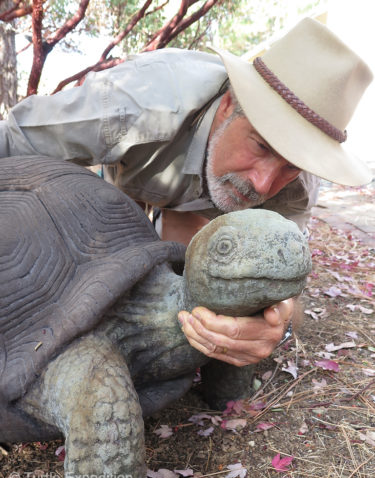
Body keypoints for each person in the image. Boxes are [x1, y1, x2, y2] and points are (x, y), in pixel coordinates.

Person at [0, 18, 373, 370]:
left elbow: (287, 284)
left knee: (186, 276)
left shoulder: (297, 185)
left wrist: (280, 321)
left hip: (201, 209)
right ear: (228, 105)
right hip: (128, 176)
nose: (263, 185)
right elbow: (14, 140)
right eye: (261, 146)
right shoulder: (136, 105)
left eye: (290, 165)